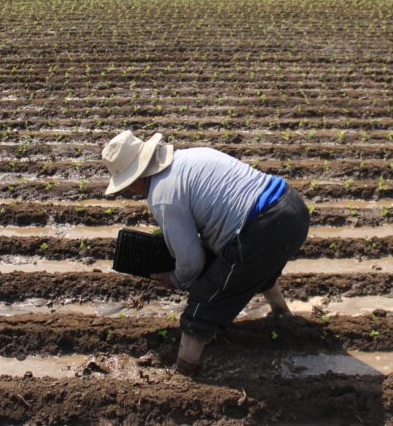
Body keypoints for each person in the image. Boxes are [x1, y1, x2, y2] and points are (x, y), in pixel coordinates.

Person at [102, 130, 310, 376]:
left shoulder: (162, 195)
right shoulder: (188, 157)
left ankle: (184, 373)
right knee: (252, 269)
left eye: (126, 186)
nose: (130, 191)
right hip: (293, 208)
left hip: (263, 228)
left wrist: (175, 279)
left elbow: (192, 262)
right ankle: (283, 314)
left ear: (135, 179)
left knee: (205, 300)